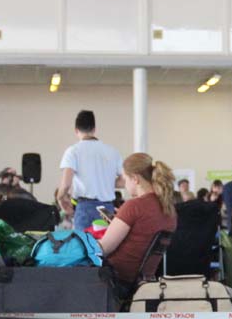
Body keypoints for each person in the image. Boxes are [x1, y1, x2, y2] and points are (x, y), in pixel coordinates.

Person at [97, 153, 177, 294]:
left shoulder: (134, 206)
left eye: (125, 178)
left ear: (135, 179)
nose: (124, 184)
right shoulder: (169, 209)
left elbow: (103, 249)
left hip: (117, 280)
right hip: (142, 283)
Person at [57, 110, 123, 230]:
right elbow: (123, 181)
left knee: (83, 245)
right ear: (94, 129)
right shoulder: (112, 151)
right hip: (107, 208)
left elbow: (66, 184)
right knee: (106, 245)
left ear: (76, 130)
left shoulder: (73, 151)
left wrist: (60, 198)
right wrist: (103, 182)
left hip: (84, 207)